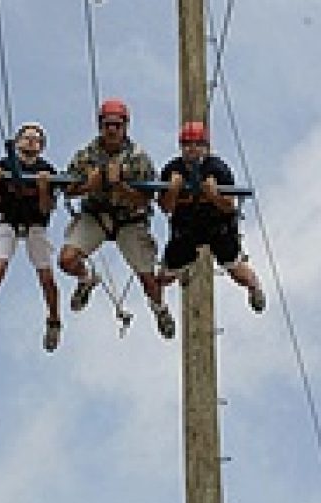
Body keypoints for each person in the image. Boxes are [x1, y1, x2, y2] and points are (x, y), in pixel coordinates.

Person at [59, 98, 175, 339]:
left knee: (148, 278)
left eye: (117, 125)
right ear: (100, 126)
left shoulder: (138, 157)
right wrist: (89, 186)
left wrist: (120, 187)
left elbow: (147, 199)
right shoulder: (86, 155)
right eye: (107, 125)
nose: (112, 130)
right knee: (67, 260)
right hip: (96, 214)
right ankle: (85, 279)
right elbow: (66, 189)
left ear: (125, 127)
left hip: (130, 218)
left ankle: (160, 310)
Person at [0, 122, 62, 356]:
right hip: (8, 219)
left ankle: (54, 320)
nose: (30, 141)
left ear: (41, 146)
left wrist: (43, 189)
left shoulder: (46, 168)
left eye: (36, 139)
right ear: (17, 143)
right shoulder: (4, 164)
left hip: (35, 223)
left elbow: (46, 208)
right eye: (26, 137)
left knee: (46, 277)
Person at [158, 121, 266, 313]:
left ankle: (254, 287)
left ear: (206, 147)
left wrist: (213, 195)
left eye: (198, 145)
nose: (192, 149)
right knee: (166, 275)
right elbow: (165, 207)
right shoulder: (172, 170)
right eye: (187, 145)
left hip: (217, 226)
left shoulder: (218, 168)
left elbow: (229, 206)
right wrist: (173, 190)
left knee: (234, 267)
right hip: (187, 227)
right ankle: (166, 296)